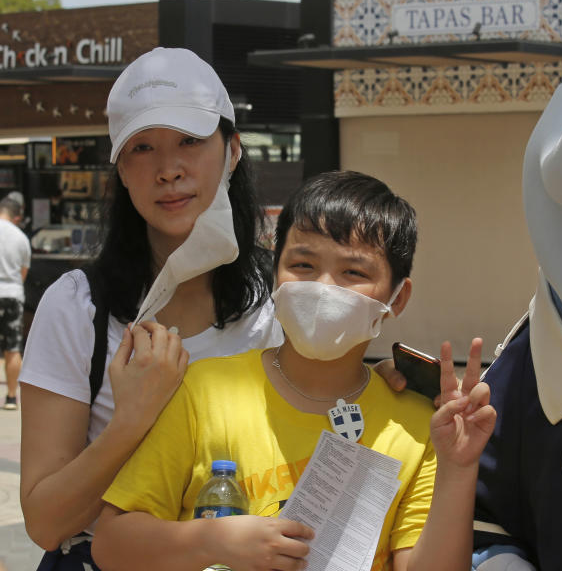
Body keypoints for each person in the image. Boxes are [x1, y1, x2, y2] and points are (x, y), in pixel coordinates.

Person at [92, 171, 497, 571]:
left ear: (397, 297)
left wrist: (459, 469)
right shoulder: (203, 392)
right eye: (302, 264)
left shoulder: (417, 427)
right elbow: (112, 545)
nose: (323, 287)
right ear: (276, 272)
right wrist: (214, 541)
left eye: (353, 273)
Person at [18, 47, 284, 566]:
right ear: (119, 167)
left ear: (232, 151)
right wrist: (132, 420)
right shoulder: (77, 307)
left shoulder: (279, 297)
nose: (168, 169)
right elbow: (46, 523)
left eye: (189, 140)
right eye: (142, 148)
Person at [0, 196, 30, 410]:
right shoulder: (21, 238)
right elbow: (23, 274)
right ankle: (11, 397)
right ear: (17, 217)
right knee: (12, 348)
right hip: (12, 294)